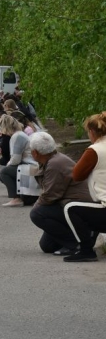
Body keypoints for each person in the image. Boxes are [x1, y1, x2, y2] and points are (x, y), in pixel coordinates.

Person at [27, 132, 93, 256]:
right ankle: (74, 237)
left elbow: (50, 195)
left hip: (77, 207)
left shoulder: (55, 164)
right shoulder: (52, 159)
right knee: (47, 246)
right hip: (68, 204)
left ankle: (77, 243)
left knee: (37, 214)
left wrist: (36, 206)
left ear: (35, 152)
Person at [63, 112, 106, 262]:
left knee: (71, 208)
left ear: (92, 131)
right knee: (92, 206)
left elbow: (77, 175)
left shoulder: (94, 150)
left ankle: (86, 250)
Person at [0, 115, 36, 206]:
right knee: (7, 170)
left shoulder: (16, 137)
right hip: (30, 164)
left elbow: (15, 159)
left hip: (29, 165)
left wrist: (8, 165)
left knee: (4, 172)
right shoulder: (20, 134)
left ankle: (16, 198)